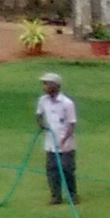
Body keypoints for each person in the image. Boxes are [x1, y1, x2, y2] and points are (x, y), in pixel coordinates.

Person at [37, 73, 80, 205]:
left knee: (67, 169)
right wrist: (42, 125)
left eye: (47, 84)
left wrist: (64, 140)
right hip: (50, 143)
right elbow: (38, 114)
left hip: (65, 144)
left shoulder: (67, 103)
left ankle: (72, 195)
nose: (44, 87)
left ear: (55, 85)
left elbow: (71, 124)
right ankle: (55, 196)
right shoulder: (43, 101)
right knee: (52, 170)